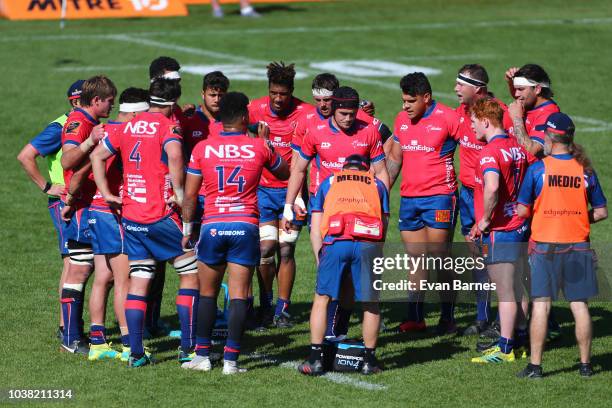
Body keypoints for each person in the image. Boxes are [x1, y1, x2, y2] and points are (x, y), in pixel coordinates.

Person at [90, 78, 199, 368]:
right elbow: (175, 155)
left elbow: (97, 156)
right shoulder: (168, 127)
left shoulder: (126, 127)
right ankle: (188, 349)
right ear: (173, 104)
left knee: (140, 280)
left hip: (132, 217)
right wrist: (179, 194)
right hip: (161, 215)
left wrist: (107, 193)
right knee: (190, 274)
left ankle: (136, 353)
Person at [181, 92, 289, 374]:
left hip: (213, 225)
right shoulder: (258, 147)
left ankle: (202, 356)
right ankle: (230, 361)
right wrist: (268, 144)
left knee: (207, 293)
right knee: (240, 294)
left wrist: (187, 228)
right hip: (245, 226)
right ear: (245, 117)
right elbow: (284, 172)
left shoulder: (203, 148)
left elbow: (190, 196)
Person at [283, 86, 388, 340]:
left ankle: (337, 325)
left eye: (352, 114)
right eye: (343, 114)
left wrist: (381, 206)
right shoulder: (316, 132)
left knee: (353, 278)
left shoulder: (369, 131)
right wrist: (288, 206)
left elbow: (382, 171)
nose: (348, 119)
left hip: (361, 212)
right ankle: (330, 331)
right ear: (333, 110)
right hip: (326, 211)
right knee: (326, 271)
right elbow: (298, 169)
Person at [516, 112, 607, 378]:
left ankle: (535, 366)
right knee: (579, 305)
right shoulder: (585, 170)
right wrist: (579, 217)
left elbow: (522, 211)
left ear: (550, 137)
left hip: (545, 246)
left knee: (541, 305)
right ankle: (586, 366)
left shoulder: (538, 169)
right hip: (578, 246)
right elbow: (601, 212)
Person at [297, 154, 389, 376]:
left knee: (322, 299)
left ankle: (316, 359)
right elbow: (383, 223)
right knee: (371, 303)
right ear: (366, 169)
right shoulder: (377, 184)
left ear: (344, 168)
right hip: (368, 242)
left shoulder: (330, 181)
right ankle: (369, 361)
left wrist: (321, 254)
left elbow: (317, 222)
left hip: (337, 242)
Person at [385, 72, 461, 334]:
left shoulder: (449, 118)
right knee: (415, 259)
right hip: (410, 199)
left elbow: (474, 146)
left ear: (426, 98)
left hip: (440, 197)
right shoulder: (401, 119)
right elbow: (394, 159)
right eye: (403, 100)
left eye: (410, 101)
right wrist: (382, 194)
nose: (405, 106)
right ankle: (415, 317)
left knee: (439, 257)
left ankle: (448, 318)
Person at [16, 79, 83, 340]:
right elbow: (25, 156)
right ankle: (66, 327)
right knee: (71, 262)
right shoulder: (60, 127)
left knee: (79, 261)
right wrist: (46, 187)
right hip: (63, 201)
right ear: (76, 101)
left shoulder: (85, 125)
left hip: (79, 201)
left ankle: (70, 325)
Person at [86, 87, 150, 362]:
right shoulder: (125, 132)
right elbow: (97, 160)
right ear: (135, 113)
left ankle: (97, 343)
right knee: (124, 279)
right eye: (145, 115)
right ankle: (128, 345)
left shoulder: (106, 129)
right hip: (112, 213)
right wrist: (110, 194)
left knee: (103, 277)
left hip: (95, 210)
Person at [468, 98, 529, 364]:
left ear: (485, 121)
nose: (471, 128)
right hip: (520, 225)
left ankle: (504, 349)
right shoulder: (516, 147)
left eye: (473, 122)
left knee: (505, 292)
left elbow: (492, 187)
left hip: (501, 229)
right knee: (519, 288)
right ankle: (522, 340)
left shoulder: (488, 153)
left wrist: (483, 220)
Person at [59, 76, 116, 355]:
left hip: (84, 202)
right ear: (96, 101)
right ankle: (70, 338)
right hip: (81, 204)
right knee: (80, 269)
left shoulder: (89, 121)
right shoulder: (79, 123)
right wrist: (90, 142)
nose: (112, 106)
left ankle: (73, 334)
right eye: (109, 101)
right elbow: (68, 160)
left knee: (85, 268)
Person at [249, 62, 309, 328]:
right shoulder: (255, 109)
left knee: (286, 250)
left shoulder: (305, 112)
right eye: (273, 92)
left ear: (291, 92)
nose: (277, 98)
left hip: (292, 194)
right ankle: (266, 303)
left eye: (283, 94)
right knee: (266, 249)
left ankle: (283, 309)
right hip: (261, 191)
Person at [504, 64, 560, 159]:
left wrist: (517, 118)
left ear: (537, 89)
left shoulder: (549, 115)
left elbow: (532, 150)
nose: (516, 94)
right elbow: (520, 95)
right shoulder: (528, 102)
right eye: (515, 89)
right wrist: (510, 82)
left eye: (521, 89)